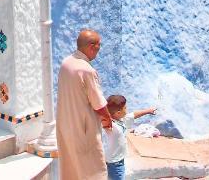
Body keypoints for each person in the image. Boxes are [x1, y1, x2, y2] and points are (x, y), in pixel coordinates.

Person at [56, 29, 112, 180]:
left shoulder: (66, 62)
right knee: (92, 169)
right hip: (84, 130)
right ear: (92, 46)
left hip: (66, 127)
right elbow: (99, 104)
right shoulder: (86, 70)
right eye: (99, 47)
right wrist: (108, 120)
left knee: (71, 167)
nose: (98, 51)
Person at [103, 94, 157, 179]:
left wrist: (148, 111)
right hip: (114, 163)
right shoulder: (112, 125)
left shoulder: (121, 120)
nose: (127, 110)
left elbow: (134, 115)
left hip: (118, 160)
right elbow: (102, 119)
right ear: (118, 113)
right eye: (125, 108)